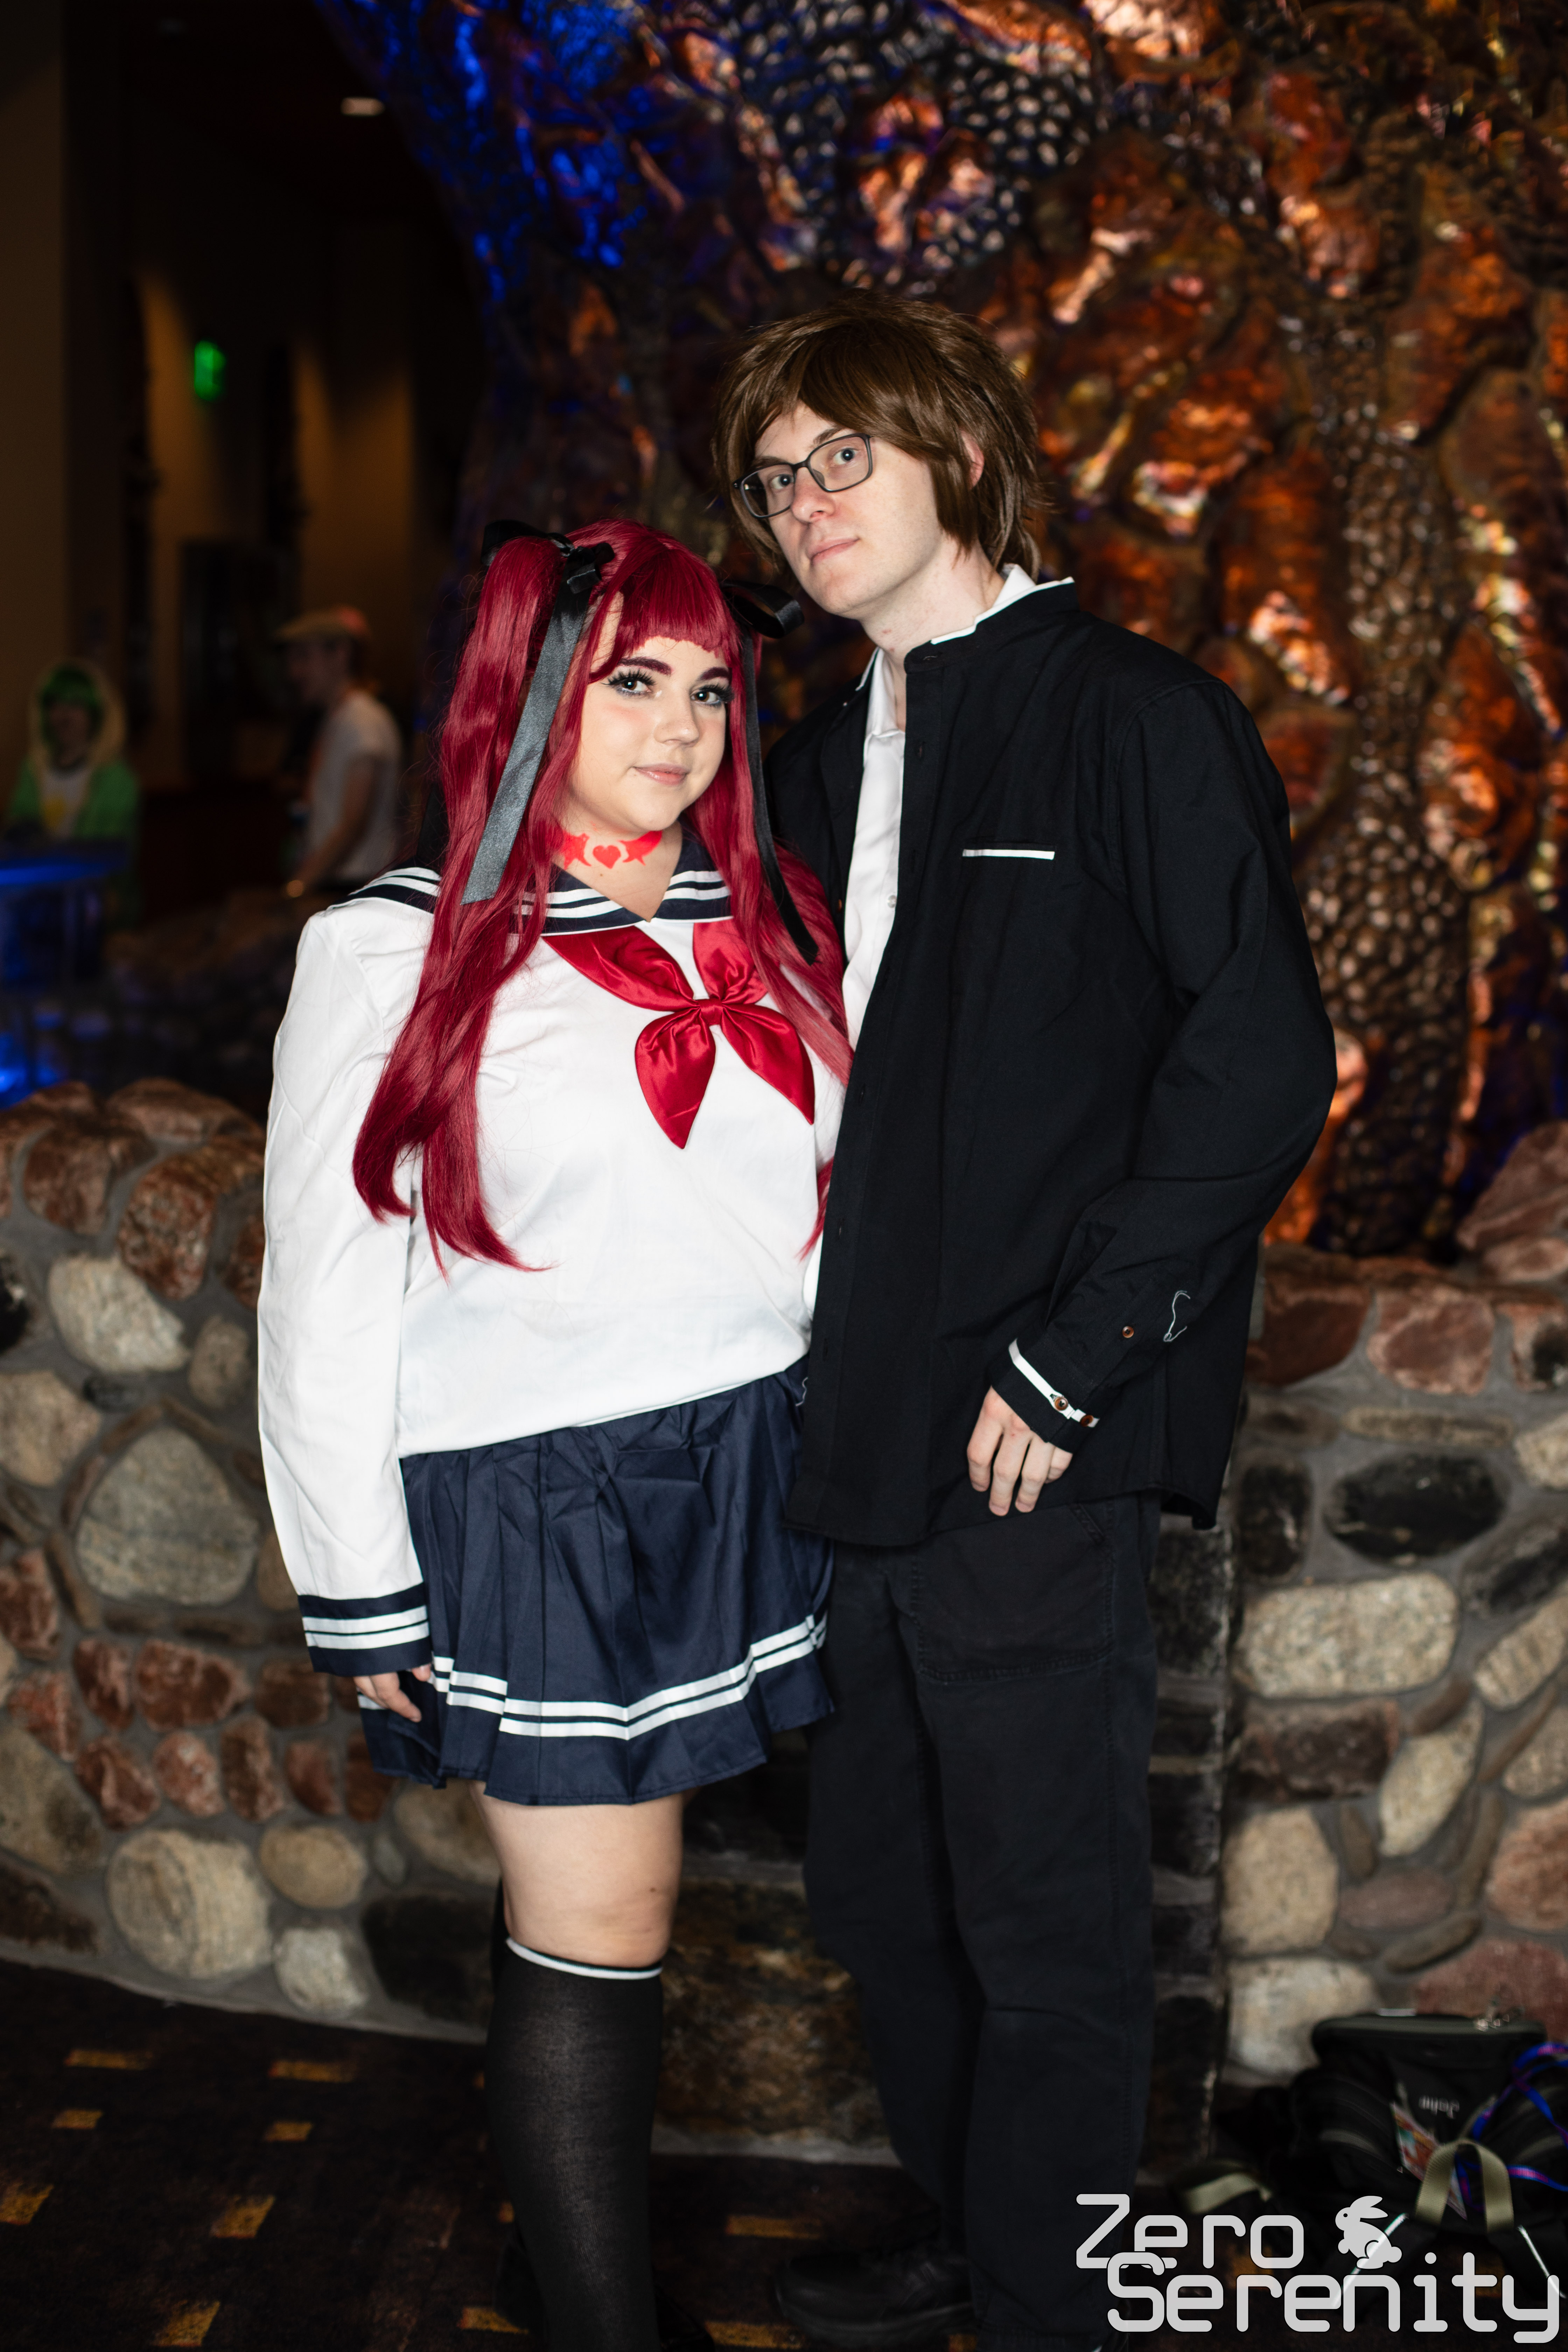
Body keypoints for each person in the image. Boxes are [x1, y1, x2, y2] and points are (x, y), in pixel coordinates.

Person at [710, 292, 1336, 2352]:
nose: (805, 502)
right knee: (881, 1891)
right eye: (776, 477)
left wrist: (1076, 1356)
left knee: (1042, 1903)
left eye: (842, 456)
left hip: (1025, 1433)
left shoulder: (1134, 718)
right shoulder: (817, 762)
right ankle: (974, 2235)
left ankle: (1054, 2300)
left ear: (958, 452)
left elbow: (1254, 1060)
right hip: (850, 1425)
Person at [257, 522, 850, 2352]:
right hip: (544, 1496)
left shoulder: (776, 914)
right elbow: (323, 1287)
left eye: (709, 690)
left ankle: (556, 2255)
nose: (680, 728)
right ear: (530, 692)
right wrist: (359, 1584)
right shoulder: (392, 945)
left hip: (756, 1464)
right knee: (609, 1917)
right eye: (632, 682)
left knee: (668, 1916)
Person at [274, 607, 403, 897]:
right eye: (291, 660)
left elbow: (353, 823)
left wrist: (298, 886)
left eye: (304, 657)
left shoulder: (361, 719)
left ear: (341, 654)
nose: (294, 672)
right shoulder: (338, 717)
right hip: (343, 883)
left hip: (356, 884)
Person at [6, 657, 141, 924]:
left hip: (97, 914)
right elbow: (17, 837)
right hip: (37, 909)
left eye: (75, 705)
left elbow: (109, 857)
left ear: (96, 713)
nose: (64, 716)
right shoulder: (32, 772)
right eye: (55, 704)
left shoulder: (117, 780)